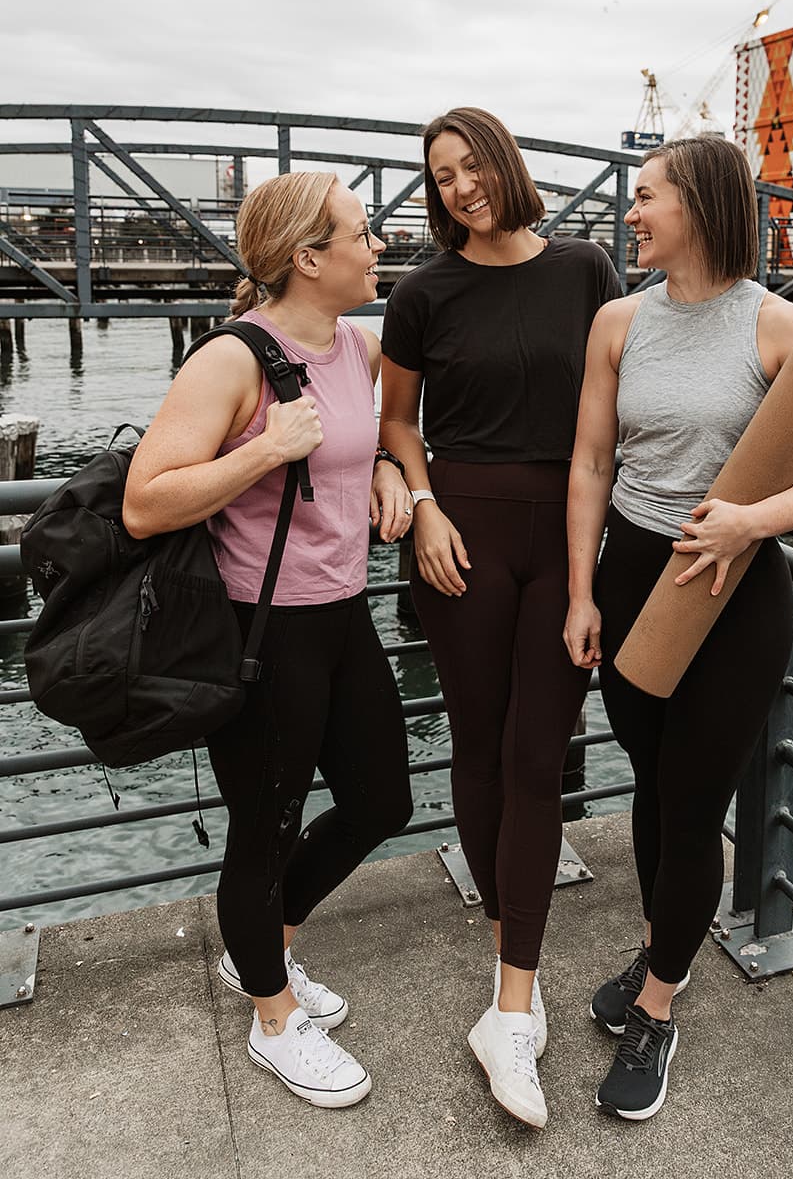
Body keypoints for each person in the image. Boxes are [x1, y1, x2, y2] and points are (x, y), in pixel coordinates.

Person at [564, 136, 793, 1121]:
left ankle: (659, 1002)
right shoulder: (616, 320)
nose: (631, 213)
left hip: (734, 591)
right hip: (630, 584)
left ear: (696, 204)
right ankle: (667, 945)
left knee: (692, 804)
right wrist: (580, 594)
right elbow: (587, 466)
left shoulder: (781, 327)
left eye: (645, 196)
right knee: (651, 789)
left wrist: (751, 516)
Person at [122, 171, 414, 1110]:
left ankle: (265, 945)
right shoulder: (232, 358)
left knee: (382, 801)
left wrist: (385, 475)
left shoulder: (357, 347)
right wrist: (261, 450)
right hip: (260, 629)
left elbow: (359, 441)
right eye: (363, 235)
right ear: (309, 257)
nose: (378, 248)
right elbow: (144, 501)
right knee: (266, 823)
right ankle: (273, 1015)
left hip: (340, 611)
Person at [378, 106, 620, 1129]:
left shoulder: (585, 269)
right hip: (457, 536)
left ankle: (509, 1005)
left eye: (471, 163)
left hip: (564, 534)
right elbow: (396, 420)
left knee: (536, 754)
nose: (459, 186)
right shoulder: (423, 291)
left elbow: (620, 407)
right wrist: (420, 504)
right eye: (440, 175)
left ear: (504, 162)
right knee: (477, 749)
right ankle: (510, 979)